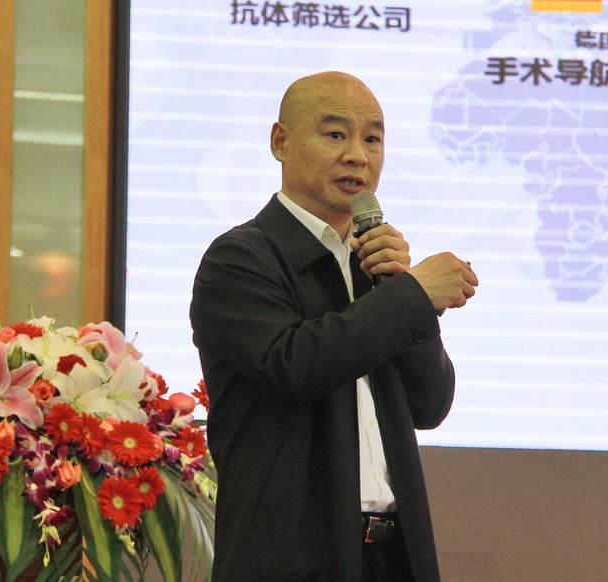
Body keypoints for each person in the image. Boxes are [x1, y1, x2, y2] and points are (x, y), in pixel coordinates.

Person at [190, 71, 478, 582]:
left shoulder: (375, 268)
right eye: (335, 134)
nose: (358, 156)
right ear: (280, 142)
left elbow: (430, 405)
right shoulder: (239, 258)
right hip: (290, 559)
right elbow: (292, 365)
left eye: (373, 139)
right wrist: (411, 296)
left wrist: (402, 290)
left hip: (394, 554)